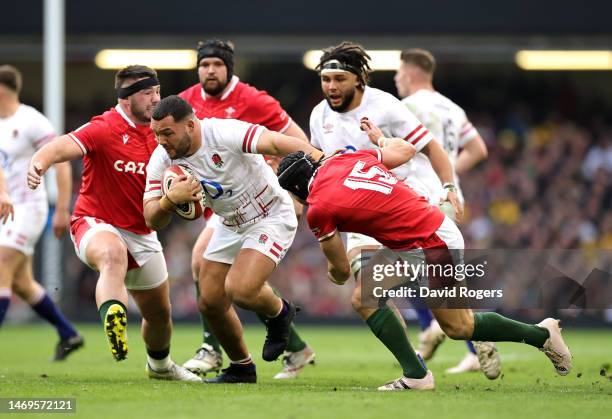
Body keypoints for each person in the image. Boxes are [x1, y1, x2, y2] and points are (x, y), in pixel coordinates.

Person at [276, 121, 572, 391]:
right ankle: (416, 375)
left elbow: (340, 270)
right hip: (415, 235)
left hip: (431, 243)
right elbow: (405, 150)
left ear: (298, 191)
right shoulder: (345, 159)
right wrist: (380, 140)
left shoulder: (318, 208)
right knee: (364, 298)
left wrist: (334, 272)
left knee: (459, 327)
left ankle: (541, 335)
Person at [308, 41, 498, 377]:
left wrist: (449, 183)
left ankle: (457, 331)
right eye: (326, 79)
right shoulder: (318, 115)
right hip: (354, 218)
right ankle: (424, 351)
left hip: (398, 204)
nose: (331, 86)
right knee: (368, 289)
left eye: (339, 78)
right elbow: (323, 168)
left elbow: (431, 147)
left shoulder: (389, 106)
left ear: (358, 80)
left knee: (408, 284)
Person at [27, 65, 200, 382]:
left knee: (160, 315)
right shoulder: (103, 127)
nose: (155, 99)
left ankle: (160, 367)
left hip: (143, 232)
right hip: (95, 222)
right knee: (112, 255)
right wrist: (39, 163)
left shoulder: (161, 132)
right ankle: (114, 320)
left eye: (157, 92)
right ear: (125, 98)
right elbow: (60, 146)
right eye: (147, 93)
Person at [143, 95, 323, 384]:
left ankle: (281, 314)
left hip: (270, 213)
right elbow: (151, 217)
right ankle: (242, 368)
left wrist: (322, 160)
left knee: (241, 290)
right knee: (210, 302)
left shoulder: (222, 132)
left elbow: (275, 143)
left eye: (167, 133)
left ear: (190, 125)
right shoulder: (162, 159)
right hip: (229, 223)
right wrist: (168, 201)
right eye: (156, 134)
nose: (161, 140)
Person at [178, 39, 314, 379]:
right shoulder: (186, 102)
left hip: (259, 197)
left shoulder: (254, 100)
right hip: (219, 203)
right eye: (204, 65)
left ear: (229, 68)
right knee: (220, 278)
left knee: (227, 277)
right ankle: (292, 346)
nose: (210, 70)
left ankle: (213, 349)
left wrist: (298, 196)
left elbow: (297, 140)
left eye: (217, 65)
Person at [394, 48, 493, 375]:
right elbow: (478, 149)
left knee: (396, 264)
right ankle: (471, 345)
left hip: (420, 199)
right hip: (450, 198)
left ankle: (431, 326)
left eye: (398, 73)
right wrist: (449, 175)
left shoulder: (406, 108)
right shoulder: (453, 108)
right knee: (440, 277)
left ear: (409, 73)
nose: (396, 79)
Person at [0, 65, 83, 361]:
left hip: (28, 209)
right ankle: (68, 333)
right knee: (22, 284)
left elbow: (60, 162)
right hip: (5, 210)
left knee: (1, 268)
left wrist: (62, 209)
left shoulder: (31, 121)